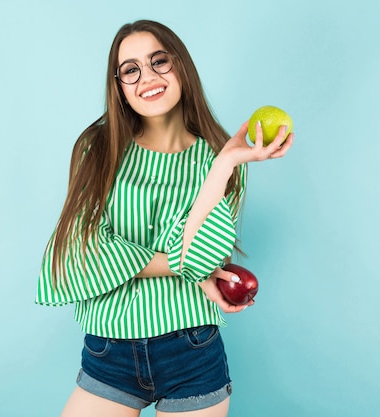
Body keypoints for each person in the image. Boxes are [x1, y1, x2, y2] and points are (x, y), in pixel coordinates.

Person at [36, 19, 293, 417]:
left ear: (181, 67)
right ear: (119, 86)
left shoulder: (219, 161)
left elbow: (197, 257)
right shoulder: (96, 148)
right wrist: (187, 269)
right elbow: (82, 254)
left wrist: (225, 160)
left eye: (160, 62)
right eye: (131, 70)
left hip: (191, 349)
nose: (148, 78)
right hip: (109, 349)